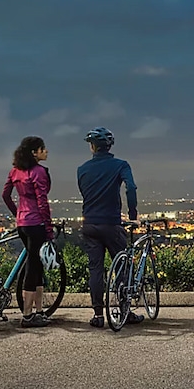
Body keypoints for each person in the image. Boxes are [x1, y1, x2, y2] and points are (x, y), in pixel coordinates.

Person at [77, 127, 143, 328]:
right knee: (122, 265)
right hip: (111, 223)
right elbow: (130, 188)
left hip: (89, 223)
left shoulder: (82, 169)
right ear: (110, 146)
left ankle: (98, 315)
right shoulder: (121, 165)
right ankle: (125, 311)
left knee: (95, 270)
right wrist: (132, 215)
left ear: (92, 147)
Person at [2, 136, 55, 328]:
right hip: (36, 224)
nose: (46, 151)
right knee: (33, 268)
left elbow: (5, 195)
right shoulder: (38, 172)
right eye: (43, 149)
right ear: (35, 153)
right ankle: (27, 315)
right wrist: (48, 228)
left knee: (36, 264)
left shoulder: (15, 171)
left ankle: (39, 311)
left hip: (22, 223)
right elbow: (42, 201)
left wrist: (17, 213)